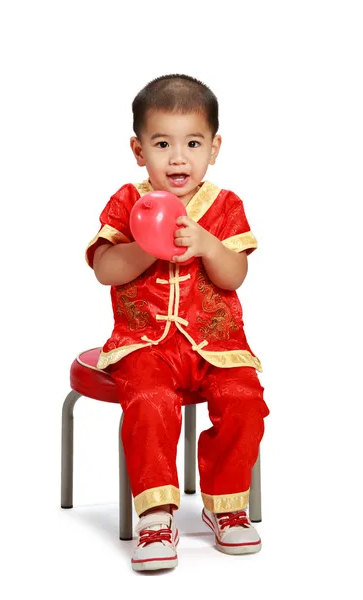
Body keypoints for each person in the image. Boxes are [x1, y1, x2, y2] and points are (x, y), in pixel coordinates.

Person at [85, 74, 270, 572]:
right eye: (161, 143)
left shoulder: (225, 207)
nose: (177, 158)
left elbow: (235, 277)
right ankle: (156, 514)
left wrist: (209, 245)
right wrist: (143, 246)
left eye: (192, 143)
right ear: (138, 148)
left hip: (215, 344)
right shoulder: (129, 202)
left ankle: (227, 507)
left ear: (215, 146)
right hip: (145, 344)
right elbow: (104, 269)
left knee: (244, 398)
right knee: (149, 402)